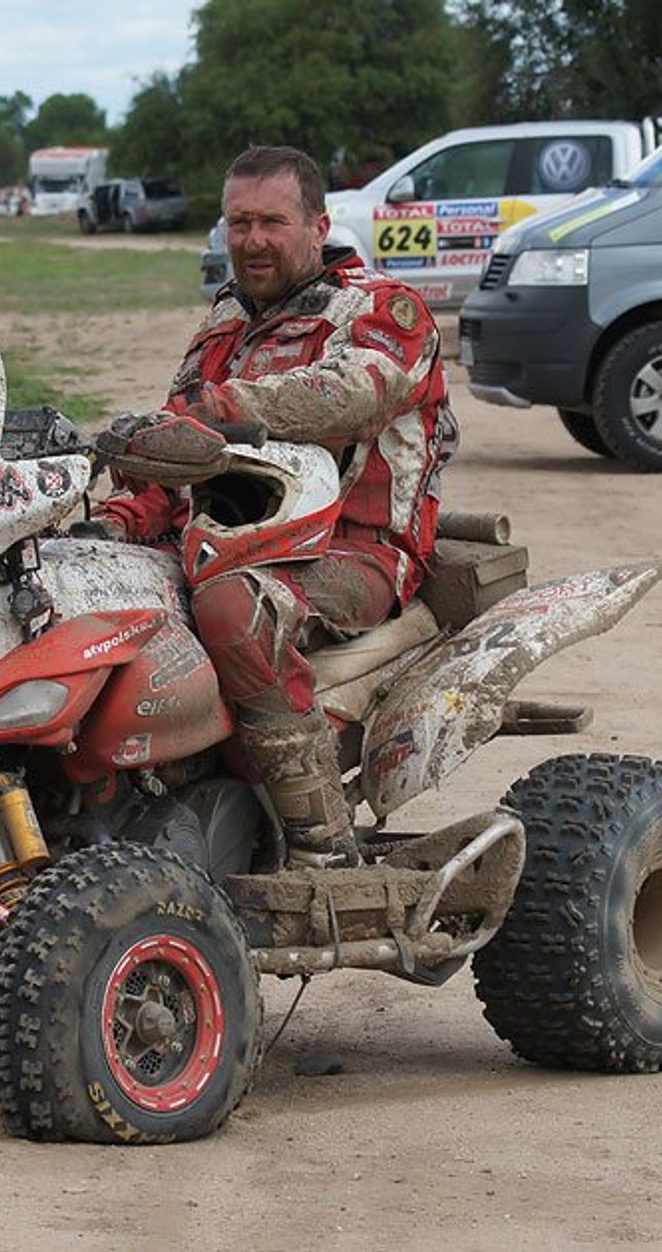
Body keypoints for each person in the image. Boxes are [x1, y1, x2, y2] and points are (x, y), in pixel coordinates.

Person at [92, 145, 457, 869]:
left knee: (231, 606)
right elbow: (178, 451)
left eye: (271, 222)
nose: (252, 240)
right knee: (81, 587)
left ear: (317, 226)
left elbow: (355, 396)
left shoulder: (385, 308)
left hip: (353, 551)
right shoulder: (227, 320)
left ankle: (320, 839)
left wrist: (221, 408)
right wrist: (119, 519)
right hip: (223, 535)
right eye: (238, 223)